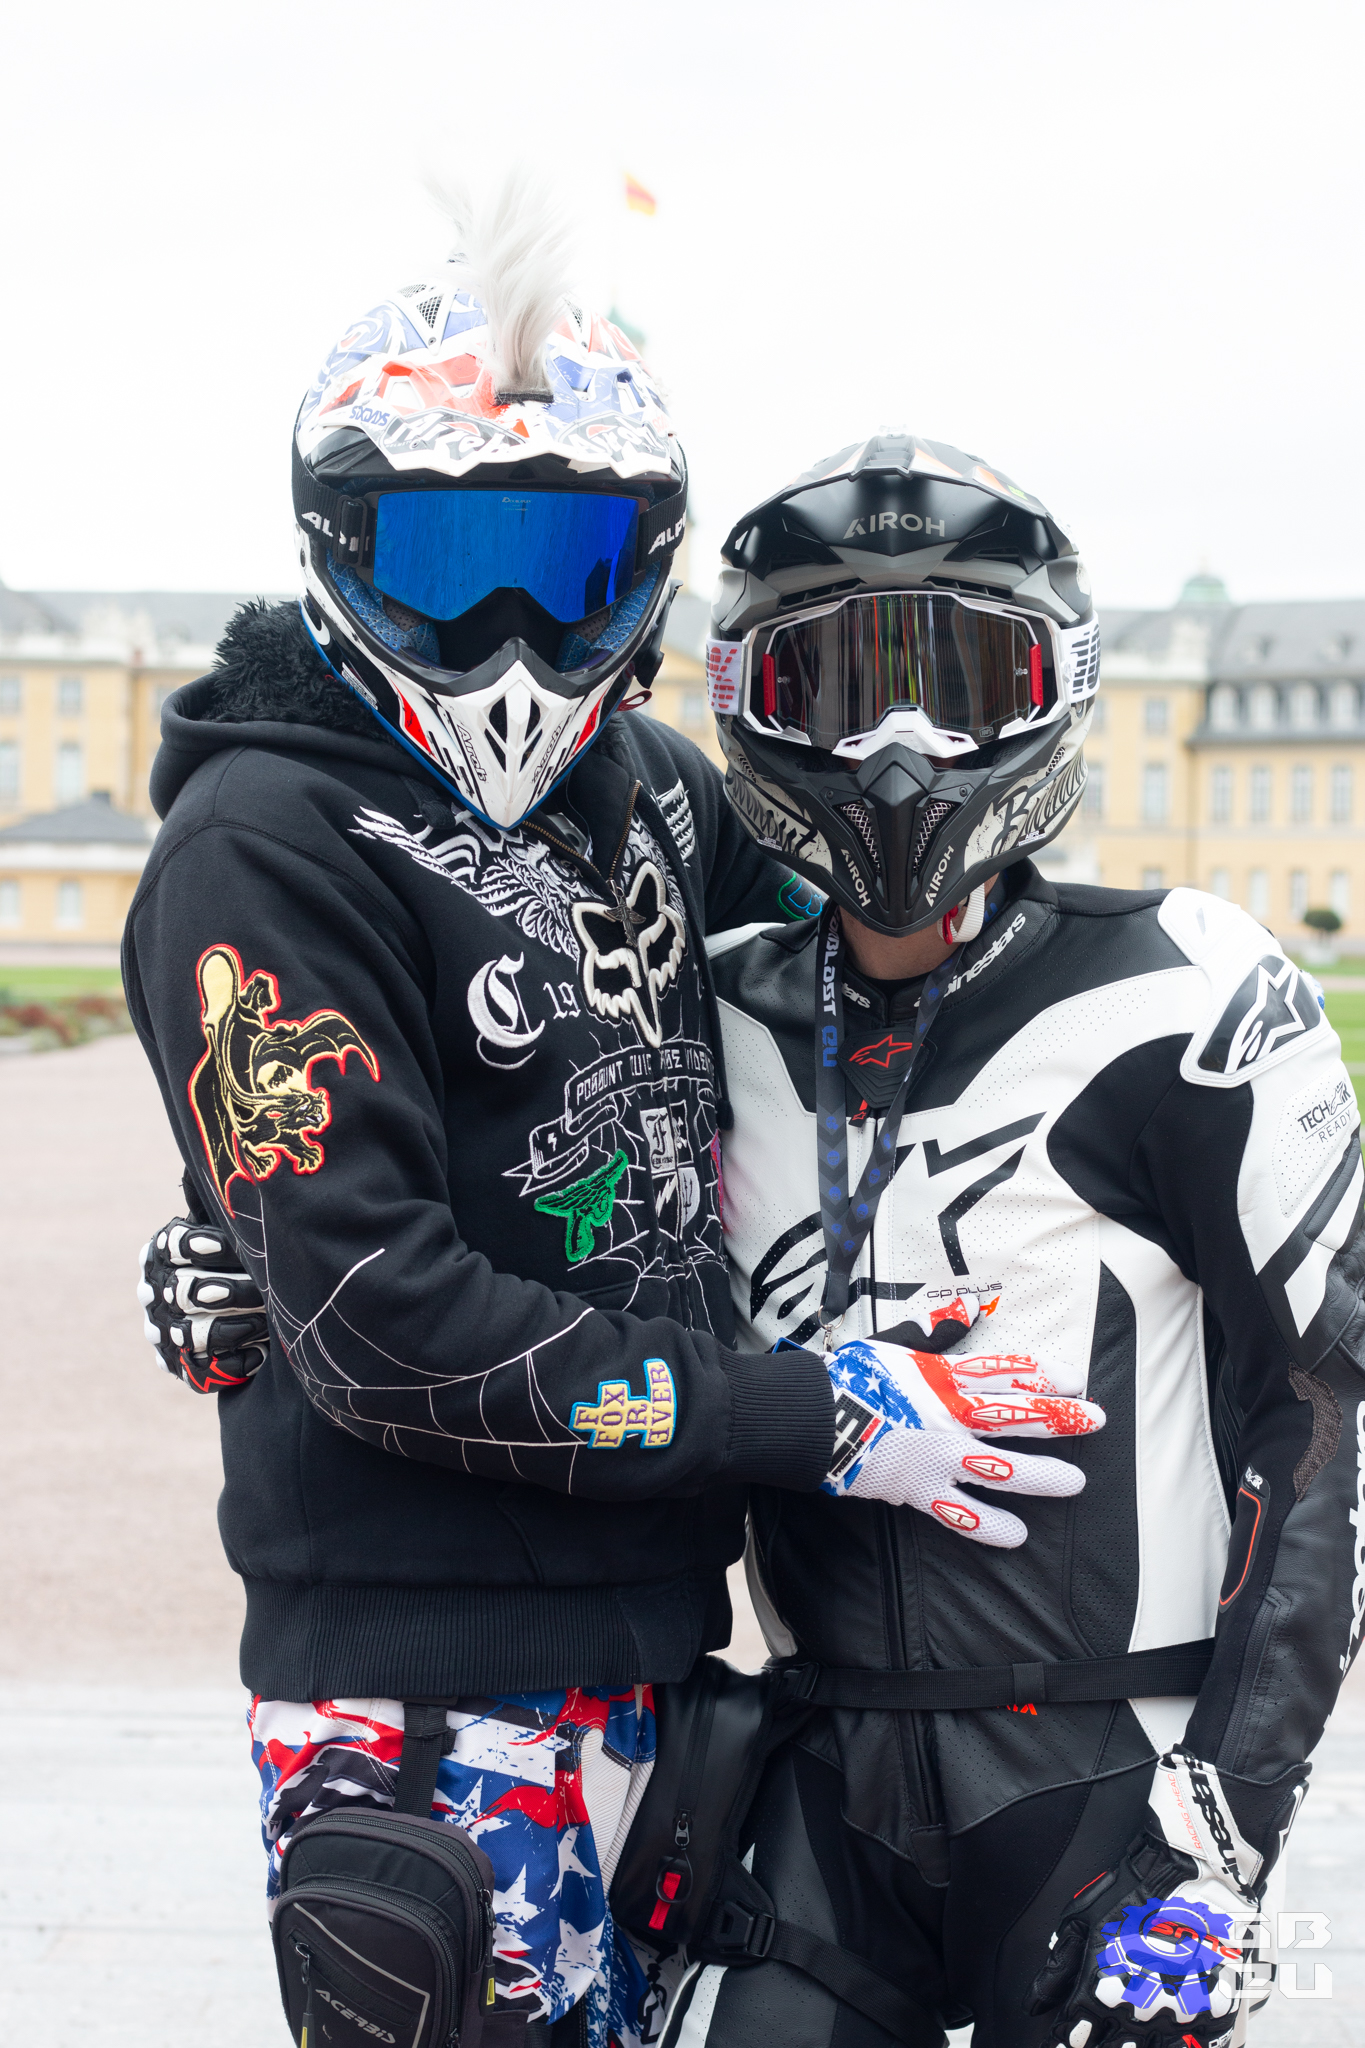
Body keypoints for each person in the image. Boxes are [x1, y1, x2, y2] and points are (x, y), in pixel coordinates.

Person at [127, 200, 1097, 2046]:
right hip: (413, 1685)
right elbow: (377, 1320)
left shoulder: (647, 787)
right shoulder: (263, 840)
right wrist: (810, 1416)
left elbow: (876, 970)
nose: (506, 633)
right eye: (446, 560)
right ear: (341, 545)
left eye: (563, 564)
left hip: (651, 1640)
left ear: (643, 563)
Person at [657, 432, 1365, 2047]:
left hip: (1115, 1785)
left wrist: (1227, 1830)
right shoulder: (713, 1008)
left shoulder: (1182, 991)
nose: (899, 743)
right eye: (835, 685)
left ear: (1058, 685)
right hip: (818, 1777)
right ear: (747, 701)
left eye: (961, 681)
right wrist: (246, 1255)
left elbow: (1323, 1413)